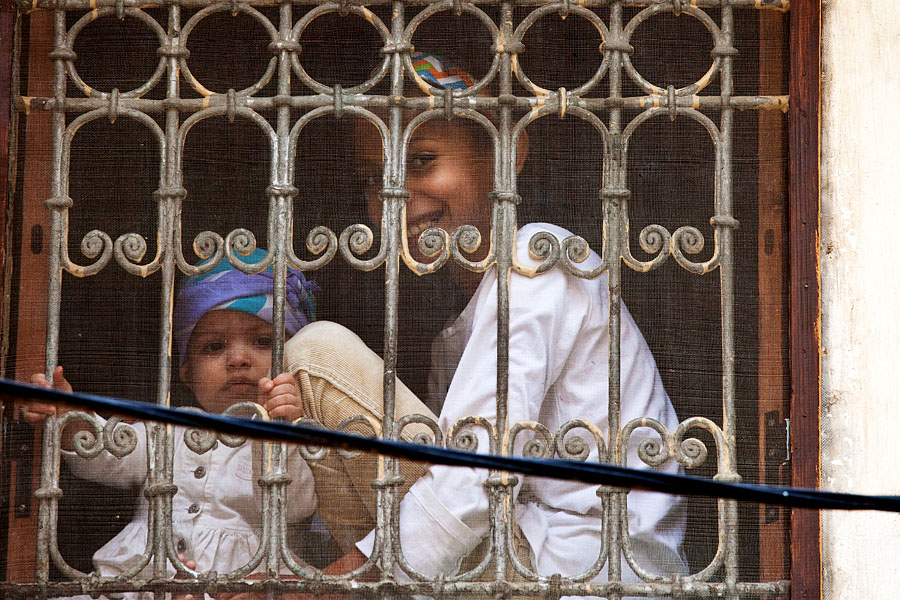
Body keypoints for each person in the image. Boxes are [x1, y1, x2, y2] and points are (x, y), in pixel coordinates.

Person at [283, 52, 688, 594]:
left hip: (584, 567)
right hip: (522, 553)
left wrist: (323, 585)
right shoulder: (459, 321)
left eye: (422, 160)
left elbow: (479, 478)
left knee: (317, 354)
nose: (393, 195)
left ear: (506, 154)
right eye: (372, 178)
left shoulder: (541, 259)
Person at [22, 249, 320, 597]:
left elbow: (296, 507)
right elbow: (104, 454)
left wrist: (282, 431)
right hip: (141, 583)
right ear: (186, 372)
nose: (239, 359)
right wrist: (66, 415)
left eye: (263, 341)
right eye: (214, 346)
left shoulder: (301, 433)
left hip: (234, 590)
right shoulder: (168, 430)